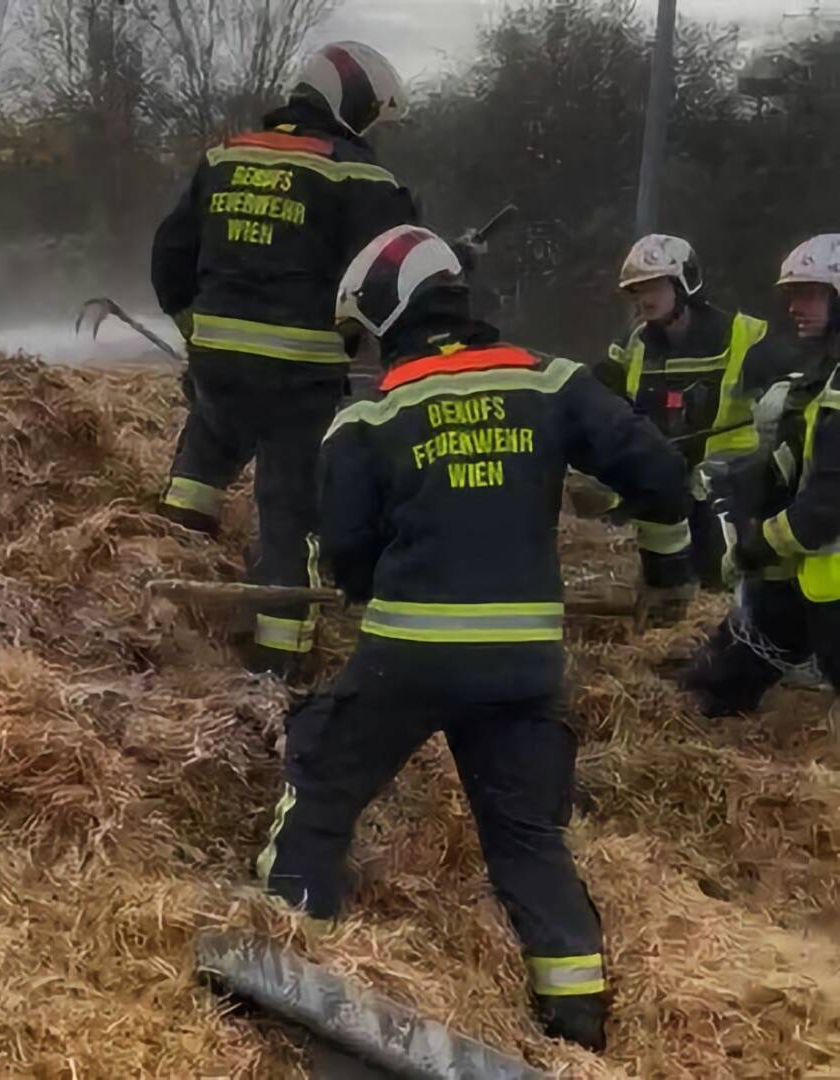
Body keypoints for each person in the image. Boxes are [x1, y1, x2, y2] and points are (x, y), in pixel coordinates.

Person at [255, 225, 695, 1051]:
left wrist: (374, 577)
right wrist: (668, 575)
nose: (368, 350)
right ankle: (575, 1029)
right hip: (525, 667)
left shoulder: (371, 414)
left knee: (320, 792)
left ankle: (288, 979)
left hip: (409, 659)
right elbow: (663, 477)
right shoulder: (552, 381)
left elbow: (346, 555)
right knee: (527, 838)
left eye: (367, 334)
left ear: (390, 314)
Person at [150, 42, 417, 676]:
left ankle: (160, 586)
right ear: (350, 103)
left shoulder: (224, 156)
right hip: (298, 376)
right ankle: (280, 662)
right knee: (291, 509)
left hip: (217, 365)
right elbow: (397, 268)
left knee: (199, 468)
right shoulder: (358, 176)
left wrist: (197, 330)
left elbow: (168, 257)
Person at [684, 235, 840, 715]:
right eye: (792, 294)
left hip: (823, 570)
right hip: (817, 579)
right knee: (742, 654)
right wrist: (750, 484)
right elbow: (804, 461)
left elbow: (824, 508)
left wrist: (758, 545)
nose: (795, 306)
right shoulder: (825, 376)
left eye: (810, 293)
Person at [590, 234, 787, 588]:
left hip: (727, 490)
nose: (643, 298)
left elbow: (798, 396)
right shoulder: (633, 342)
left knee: (722, 580)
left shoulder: (744, 336)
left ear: (684, 284)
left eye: (652, 286)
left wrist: (782, 394)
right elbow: (598, 395)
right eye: (636, 290)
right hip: (659, 486)